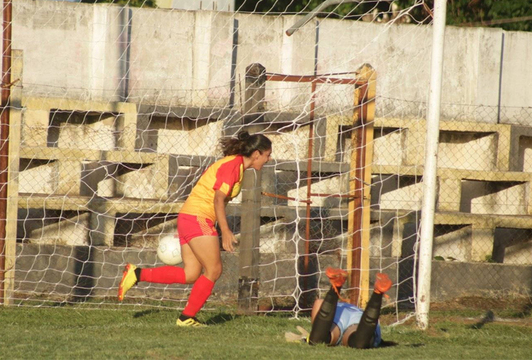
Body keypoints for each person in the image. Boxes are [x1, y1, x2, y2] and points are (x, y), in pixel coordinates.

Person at [117, 130, 272, 327]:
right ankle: (186, 317)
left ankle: (136, 273)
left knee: (191, 274)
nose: (269, 159)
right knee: (214, 270)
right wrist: (225, 230)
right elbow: (218, 198)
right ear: (257, 153)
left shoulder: (236, 166)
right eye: (268, 154)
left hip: (190, 217)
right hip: (198, 218)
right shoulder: (234, 165)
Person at [304, 267, 393, 348]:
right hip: (353, 318)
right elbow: (318, 303)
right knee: (357, 342)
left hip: (337, 317)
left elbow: (318, 303)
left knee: (317, 339)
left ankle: (337, 286)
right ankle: (377, 293)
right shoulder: (331, 307)